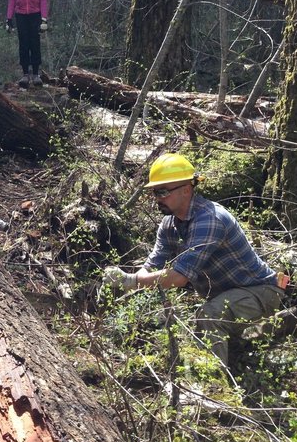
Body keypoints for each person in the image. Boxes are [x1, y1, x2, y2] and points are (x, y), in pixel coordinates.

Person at [103, 153, 285, 367]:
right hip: (227, 296)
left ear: (186, 190)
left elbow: (179, 278)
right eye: (154, 192)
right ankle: (248, 342)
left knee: (209, 316)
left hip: (260, 292)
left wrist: (130, 281)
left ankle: (213, 389)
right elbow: (152, 265)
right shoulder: (169, 225)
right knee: (201, 321)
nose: (157, 198)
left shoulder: (209, 219)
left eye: (163, 192)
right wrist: (127, 282)